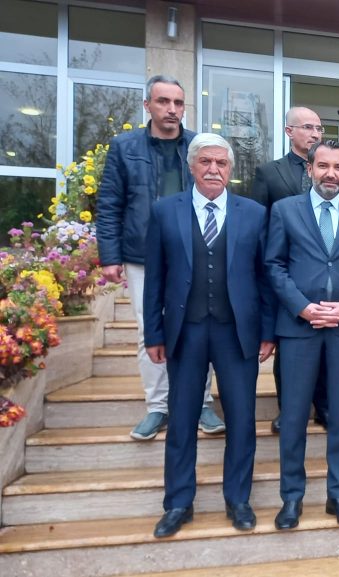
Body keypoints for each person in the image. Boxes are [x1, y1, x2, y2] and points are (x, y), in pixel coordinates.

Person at [143, 133, 276, 538]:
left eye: (221, 163)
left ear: (231, 169)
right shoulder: (165, 211)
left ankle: (238, 499)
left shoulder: (254, 213)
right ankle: (178, 502)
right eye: (206, 162)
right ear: (192, 167)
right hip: (186, 331)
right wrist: (154, 334)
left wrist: (268, 331)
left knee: (242, 419)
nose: (214, 169)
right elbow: (155, 278)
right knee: (182, 418)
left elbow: (265, 278)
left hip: (237, 332)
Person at [96, 74, 223, 441]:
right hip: (142, 255)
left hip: (194, 252)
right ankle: (158, 406)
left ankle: (202, 402)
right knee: (148, 329)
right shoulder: (125, 147)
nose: (171, 109)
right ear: (147, 105)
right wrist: (110, 256)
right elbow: (109, 204)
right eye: (163, 101)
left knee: (200, 327)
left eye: (178, 103)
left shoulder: (198, 146)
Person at [265, 139, 339, 529]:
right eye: (324, 166)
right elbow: (274, 265)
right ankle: (291, 498)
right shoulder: (285, 210)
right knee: (294, 416)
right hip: (299, 328)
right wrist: (301, 306)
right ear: (310, 168)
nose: (331, 174)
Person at [249, 106, 339, 434]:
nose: (315, 133)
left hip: (327, 277)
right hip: (287, 277)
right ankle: (289, 408)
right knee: (289, 347)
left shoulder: (333, 175)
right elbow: (259, 227)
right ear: (289, 131)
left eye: (318, 128)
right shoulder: (269, 172)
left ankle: (324, 406)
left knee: (326, 346)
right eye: (307, 127)